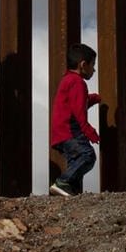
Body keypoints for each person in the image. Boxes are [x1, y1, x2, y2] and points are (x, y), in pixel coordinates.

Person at [49, 43, 102, 196]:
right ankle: (62, 182)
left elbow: (75, 103)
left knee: (75, 161)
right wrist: (90, 131)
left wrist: (93, 98)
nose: (94, 70)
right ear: (83, 65)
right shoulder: (78, 82)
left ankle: (68, 191)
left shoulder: (67, 80)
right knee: (87, 156)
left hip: (61, 132)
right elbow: (79, 112)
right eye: (93, 65)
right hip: (70, 131)